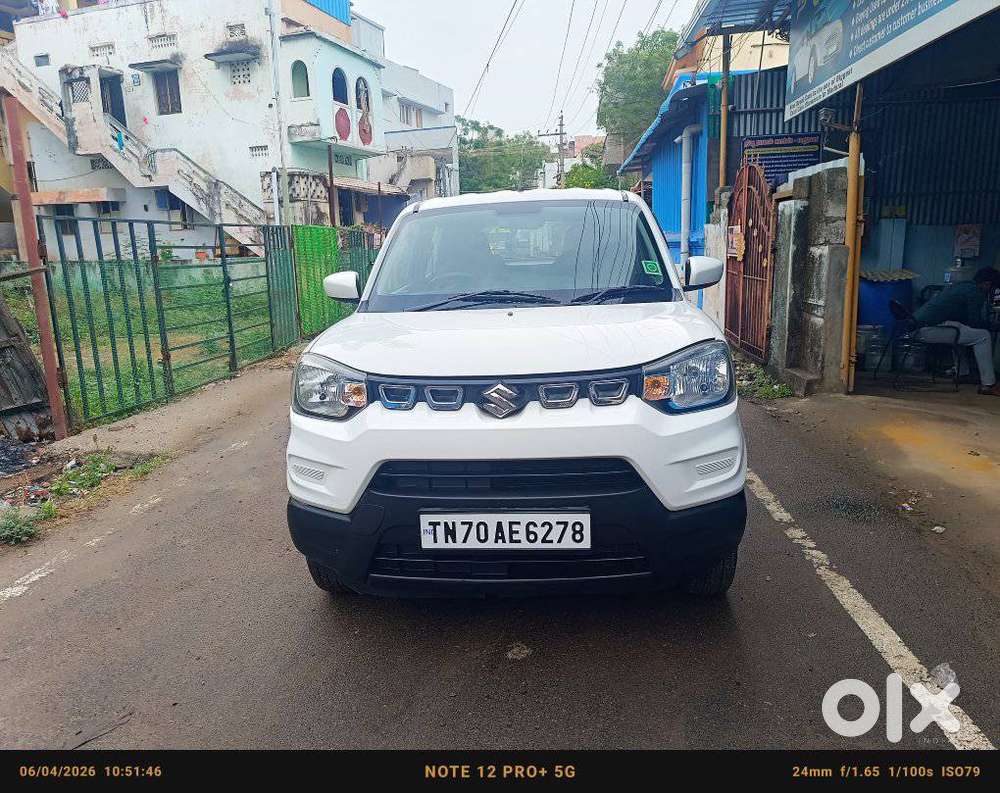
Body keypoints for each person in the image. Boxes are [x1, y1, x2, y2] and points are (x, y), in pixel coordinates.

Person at [914, 266, 1000, 396]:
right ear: (987, 284)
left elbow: (966, 321)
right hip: (927, 330)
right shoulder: (975, 292)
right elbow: (975, 323)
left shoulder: (962, 286)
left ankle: (963, 374)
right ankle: (988, 385)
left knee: (962, 331)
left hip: (919, 327)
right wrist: (994, 326)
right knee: (984, 336)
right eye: (993, 288)